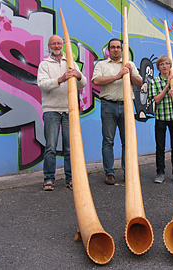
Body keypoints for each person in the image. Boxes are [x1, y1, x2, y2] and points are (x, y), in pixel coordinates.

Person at [37, 35, 87, 191]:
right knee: (50, 147)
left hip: (69, 109)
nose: (56, 46)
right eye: (53, 44)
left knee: (70, 147)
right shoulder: (44, 64)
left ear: (62, 45)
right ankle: (49, 179)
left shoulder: (70, 63)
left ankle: (71, 179)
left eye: (59, 43)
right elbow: (42, 84)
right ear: (49, 46)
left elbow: (83, 84)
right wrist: (61, 78)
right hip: (51, 110)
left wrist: (78, 76)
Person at [92, 38, 142, 185]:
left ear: (122, 49)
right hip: (108, 105)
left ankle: (128, 172)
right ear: (109, 50)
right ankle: (109, 173)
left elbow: (139, 83)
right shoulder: (101, 64)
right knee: (108, 140)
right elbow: (96, 81)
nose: (115, 50)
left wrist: (131, 74)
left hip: (126, 105)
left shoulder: (129, 64)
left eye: (118, 47)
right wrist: (117, 77)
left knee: (128, 141)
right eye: (112, 47)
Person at [148, 55, 173, 183]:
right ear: (158, 67)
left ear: (170, 66)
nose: (165, 66)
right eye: (162, 64)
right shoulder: (154, 81)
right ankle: (160, 173)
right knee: (160, 147)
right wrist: (167, 85)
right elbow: (157, 100)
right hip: (161, 118)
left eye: (167, 63)